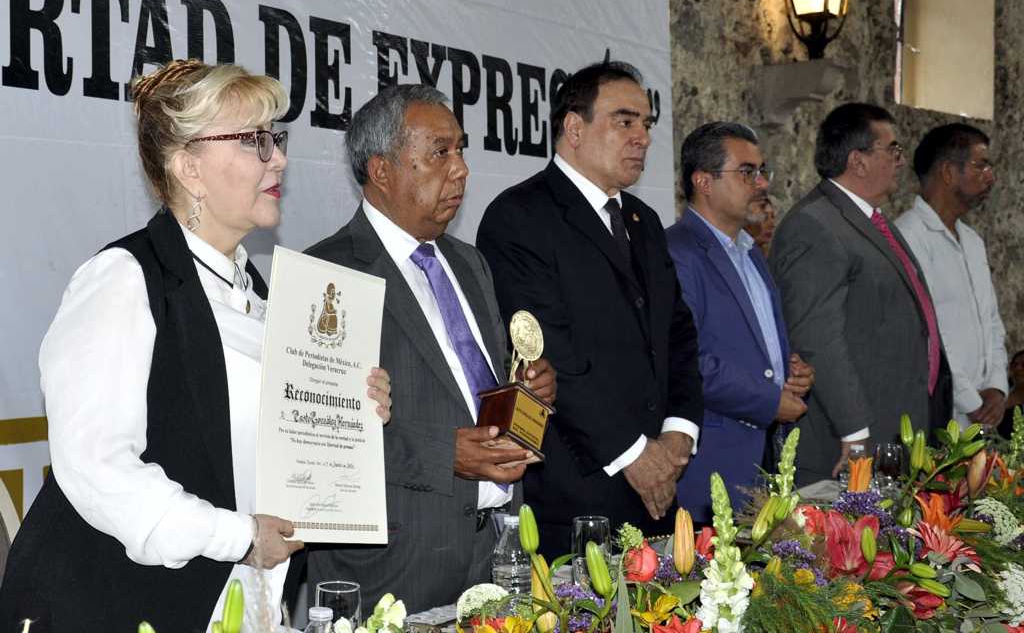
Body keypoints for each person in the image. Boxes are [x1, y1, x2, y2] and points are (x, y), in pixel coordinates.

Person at [0, 60, 393, 633]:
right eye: (255, 140)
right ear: (189, 168)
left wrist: (350, 408)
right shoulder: (124, 278)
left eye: (276, 138)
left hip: (235, 603)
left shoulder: (259, 293)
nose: (279, 159)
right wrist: (237, 537)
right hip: (113, 604)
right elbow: (96, 466)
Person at [304, 84, 556, 612]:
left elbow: (475, 389)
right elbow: (319, 437)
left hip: (496, 553)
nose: (461, 169)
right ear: (381, 170)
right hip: (394, 568)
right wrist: (447, 456)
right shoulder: (329, 274)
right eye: (440, 152)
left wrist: (526, 390)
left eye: (460, 149)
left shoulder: (469, 262)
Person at [476, 61, 704, 554]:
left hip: (661, 483)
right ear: (574, 128)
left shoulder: (643, 221)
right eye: (625, 121)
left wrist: (678, 434)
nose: (642, 137)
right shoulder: (519, 218)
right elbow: (549, 355)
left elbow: (678, 335)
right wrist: (635, 455)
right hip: (577, 496)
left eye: (647, 123)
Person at [769, 103, 951, 485]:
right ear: (858, 160)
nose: (900, 161)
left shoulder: (871, 220)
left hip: (895, 427)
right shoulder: (815, 225)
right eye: (893, 149)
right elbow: (818, 339)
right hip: (849, 440)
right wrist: (855, 432)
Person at [667, 122, 813, 522]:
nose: (762, 183)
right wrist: (769, 400)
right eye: (747, 172)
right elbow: (687, 361)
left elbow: (751, 344)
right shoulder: (678, 252)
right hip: (712, 460)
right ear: (704, 181)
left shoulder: (749, 251)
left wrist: (790, 371)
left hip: (764, 454)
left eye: (762, 171)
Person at [895, 124, 1007, 429]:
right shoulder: (908, 236)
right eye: (981, 165)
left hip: (982, 410)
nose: (990, 176)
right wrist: (971, 401)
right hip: (938, 409)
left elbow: (991, 321)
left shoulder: (972, 241)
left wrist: (997, 387)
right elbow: (926, 333)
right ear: (947, 172)